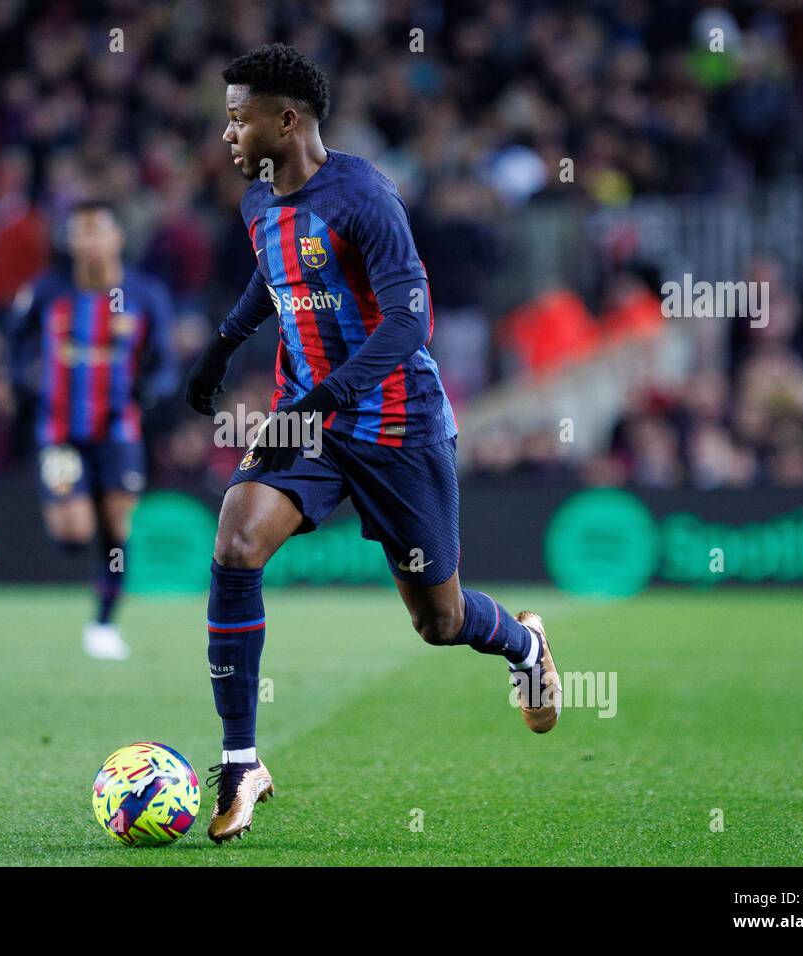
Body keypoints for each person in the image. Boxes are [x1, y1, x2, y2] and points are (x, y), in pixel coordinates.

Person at [185, 44, 561, 843]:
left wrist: (335, 391)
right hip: (306, 417)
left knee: (439, 620)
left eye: (238, 118)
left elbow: (408, 322)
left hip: (397, 425)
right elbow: (272, 275)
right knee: (236, 542)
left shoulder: (364, 198)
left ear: (286, 120)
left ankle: (525, 644)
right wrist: (223, 344)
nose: (228, 134)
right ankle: (243, 758)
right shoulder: (258, 201)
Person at [10, 200, 175, 660]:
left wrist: (151, 390)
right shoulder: (47, 291)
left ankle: (103, 623)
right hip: (59, 430)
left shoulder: (145, 294)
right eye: (79, 233)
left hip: (119, 430)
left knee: (117, 524)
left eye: (96, 231)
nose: (88, 241)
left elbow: (165, 360)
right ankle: (68, 519)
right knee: (74, 533)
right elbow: (16, 342)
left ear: (116, 237)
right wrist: (25, 378)